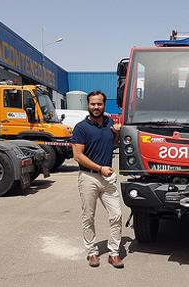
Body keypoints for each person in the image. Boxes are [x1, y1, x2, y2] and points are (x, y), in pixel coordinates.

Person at [71, 90, 124, 269]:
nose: (96, 107)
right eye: (93, 104)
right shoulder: (81, 128)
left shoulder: (110, 123)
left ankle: (114, 253)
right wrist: (100, 168)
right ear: (88, 105)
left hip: (107, 179)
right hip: (89, 177)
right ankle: (92, 252)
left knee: (116, 214)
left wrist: (116, 133)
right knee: (89, 216)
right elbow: (77, 155)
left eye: (99, 104)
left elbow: (114, 144)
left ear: (104, 105)